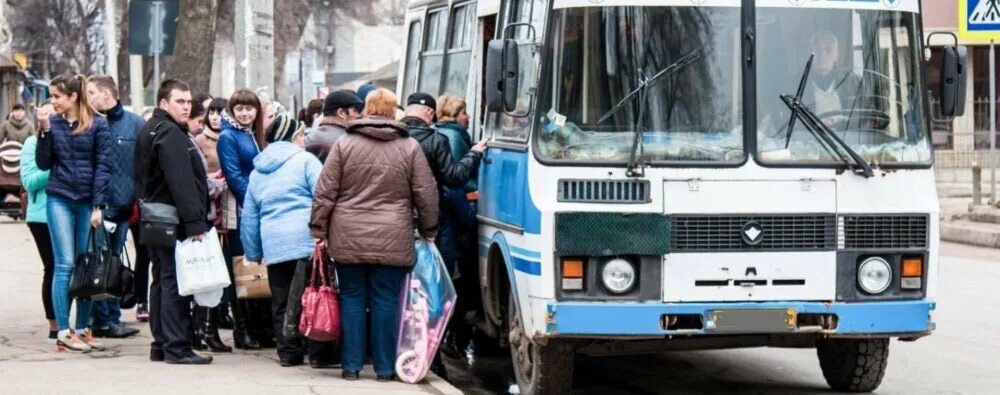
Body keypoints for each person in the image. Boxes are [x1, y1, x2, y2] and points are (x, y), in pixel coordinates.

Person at [310, 88, 438, 381]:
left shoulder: (345, 144)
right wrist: (429, 229)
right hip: (394, 237)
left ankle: (352, 366)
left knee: (352, 298)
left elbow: (325, 191)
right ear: (394, 111)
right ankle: (383, 368)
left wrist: (318, 228)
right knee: (386, 301)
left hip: (348, 236)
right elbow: (426, 194)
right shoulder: (409, 147)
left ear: (366, 109)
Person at [242, 113, 336, 368]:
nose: (305, 139)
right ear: (292, 136)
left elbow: (250, 216)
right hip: (305, 242)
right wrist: (327, 234)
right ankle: (318, 353)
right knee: (312, 296)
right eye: (302, 134)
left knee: (281, 301)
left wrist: (253, 252)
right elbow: (322, 197)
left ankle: (288, 352)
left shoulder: (258, 171)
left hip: (274, 246)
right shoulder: (306, 161)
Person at [133, 78, 213, 365]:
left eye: (189, 102)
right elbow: (181, 183)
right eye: (180, 101)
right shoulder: (169, 134)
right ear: (164, 103)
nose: (186, 107)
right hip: (170, 218)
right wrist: (195, 223)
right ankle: (176, 347)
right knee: (173, 282)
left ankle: (162, 344)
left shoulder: (151, 129)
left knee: (161, 280)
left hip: (154, 217)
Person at [35, 74, 112, 352]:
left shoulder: (98, 124)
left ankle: (82, 328)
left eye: (57, 96)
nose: (52, 101)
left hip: (86, 202)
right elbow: (43, 164)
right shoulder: (51, 124)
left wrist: (98, 206)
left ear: (73, 97)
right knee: (65, 263)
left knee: (84, 264)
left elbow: (104, 166)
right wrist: (43, 130)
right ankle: (63, 331)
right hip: (60, 198)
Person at [84, 75, 143, 339]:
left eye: (92, 92)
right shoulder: (90, 123)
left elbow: (143, 166)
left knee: (113, 264)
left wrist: (136, 200)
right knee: (100, 264)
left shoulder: (134, 125)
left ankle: (110, 318)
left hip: (123, 208)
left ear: (107, 94)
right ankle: (103, 319)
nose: (88, 96)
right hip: (97, 208)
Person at [218, 89, 271, 350]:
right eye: (239, 108)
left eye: (249, 108)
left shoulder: (254, 133)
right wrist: (255, 197)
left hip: (258, 207)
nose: (244, 112)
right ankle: (243, 329)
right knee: (242, 269)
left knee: (258, 270)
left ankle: (259, 327)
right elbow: (233, 175)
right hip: (241, 211)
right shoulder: (228, 136)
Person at [433, 95, 481, 356]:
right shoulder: (454, 138)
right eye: (464, 112)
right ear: (454, 114)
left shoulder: (441, 134)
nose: (468, 117)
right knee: (460, 283)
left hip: (445, 223)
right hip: (454, 225)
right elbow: (455, 186)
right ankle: (451, 338)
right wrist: (470, 215)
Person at [402, 92, 486, 195]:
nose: (468, 116)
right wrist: (475, 152)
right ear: (429, 112)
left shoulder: (393, 134)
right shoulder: (442, 138)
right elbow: (453, 176)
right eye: (464, 113)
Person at [21, 101, 55, 343]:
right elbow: (29, 181)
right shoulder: (32, 143)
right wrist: (55, 169)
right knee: (53, 268)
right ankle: (54, 324)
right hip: (41, 216)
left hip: (70, 211)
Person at [304, 90, 362, 162]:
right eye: (355, 110)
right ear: (341, 113)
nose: (358, 115)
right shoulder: (348, 142)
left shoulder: (308, 138)